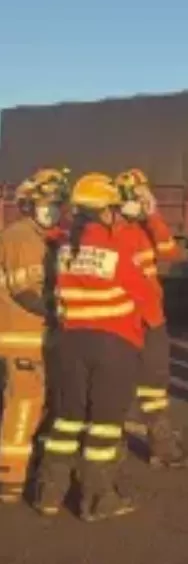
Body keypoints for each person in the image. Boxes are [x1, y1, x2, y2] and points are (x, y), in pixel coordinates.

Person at [32, 173, 161, 520]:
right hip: (113, 346)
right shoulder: (117, 246)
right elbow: (145, 295)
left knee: (66, 420)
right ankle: (97, 499)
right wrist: (154, 331)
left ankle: (48, 494)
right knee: (104, 425)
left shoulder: (63, 247)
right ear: (104, 211)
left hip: (69, 344)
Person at [0, 168, 69, 504]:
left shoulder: (47, 237)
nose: (51, 210)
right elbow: (25, 290)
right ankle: (9, 478)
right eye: (45, 203)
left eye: (57, 204)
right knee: (24, 402)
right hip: (22, 334)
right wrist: (58, 313)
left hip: (40, 334)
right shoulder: (20, 237)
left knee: (41, 401)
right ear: (28, 204)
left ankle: (26, 466)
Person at [114, 169, 188, 466]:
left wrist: (153, 217)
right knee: (116, 384)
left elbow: (172, 253)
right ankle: (113, 444)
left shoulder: (145, 228)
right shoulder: (109, 232)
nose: (142, 200)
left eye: (145, 195)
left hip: (151, 320)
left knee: (155, 384)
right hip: (123, 321)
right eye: (137, 195)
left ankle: (162, 445)